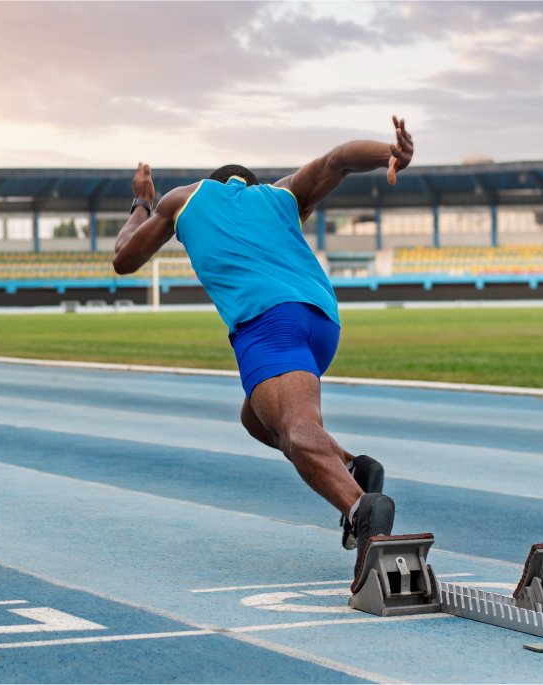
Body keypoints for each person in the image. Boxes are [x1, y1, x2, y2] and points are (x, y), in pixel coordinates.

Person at [113, 116, 414, 579]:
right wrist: (389, 155)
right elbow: (338, 160)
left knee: (296, 431)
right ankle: (354, 468)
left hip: (267, 322)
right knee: (255, 418)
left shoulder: (184, 198)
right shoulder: (281, 196)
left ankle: (361, 510)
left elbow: (124, 258)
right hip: (321, 320)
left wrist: (141, 202)